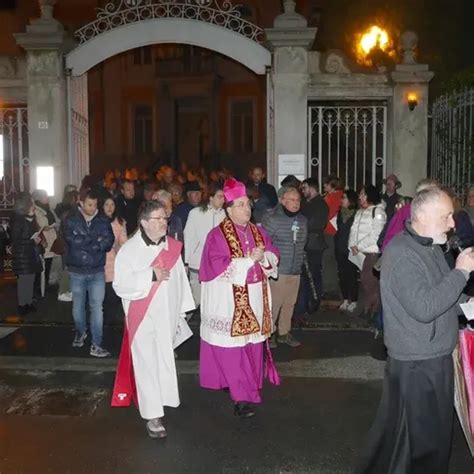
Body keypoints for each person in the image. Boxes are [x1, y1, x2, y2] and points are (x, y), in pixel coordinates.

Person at [355, 186, 474, 473]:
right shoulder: (401, 254)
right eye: (446, 216)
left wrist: (469, 302)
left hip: (432, 356)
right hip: (417, 363)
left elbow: (444, 294)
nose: (452, 223)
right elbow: (424, 307)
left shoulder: (429, 246)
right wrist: (461, 272)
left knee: (416, 439)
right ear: (423, 216)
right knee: (423, 443)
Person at [112, 200, 194, 438]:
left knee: (164, 359)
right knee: (147, 363)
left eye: (165, 218)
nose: (163, 223)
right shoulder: (129, 250)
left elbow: (180, 279)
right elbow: (121, 284)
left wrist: (183, 309)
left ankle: (165, 399)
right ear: (144, 222)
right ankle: (152, 416)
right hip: (143, 317)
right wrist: (151, 274)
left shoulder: (172, 247)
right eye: (158, 219)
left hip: (167, 313)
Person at [199, 178, 280, 418]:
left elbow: (273, 253)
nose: (248, 209)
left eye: (248, 204)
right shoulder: (217, 236)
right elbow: (214, 266)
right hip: (229, 301)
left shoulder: (258, 231)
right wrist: (248, 261)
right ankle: (241, 398)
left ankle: (249, 387)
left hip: (255, 298)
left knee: (253, 347)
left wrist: (264, 257)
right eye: (242, 205)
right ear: (229, 209)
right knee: (233, 350)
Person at [63, 189, 114, 357]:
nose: (93, 208)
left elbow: (108, 241)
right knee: (78, 306)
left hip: (97, 270)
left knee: (97, 308)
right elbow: (71, 239)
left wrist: (88, 242)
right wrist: (95, 241)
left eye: (95, 205)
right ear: (81, 203)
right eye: (90, 205)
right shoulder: (71, 219)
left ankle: (96, 344)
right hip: (77, 270)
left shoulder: (103, 220)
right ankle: (80, 331)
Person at [262, 187, 307, 348]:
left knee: (290, 303)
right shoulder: (273, 219)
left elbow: (302, 242)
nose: (296, 203)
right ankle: (269, 333)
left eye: (298, 200)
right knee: (275, 303)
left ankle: (283, 332)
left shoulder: (302, 220)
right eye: (292, 200)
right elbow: (264, 242)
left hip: (295, 269)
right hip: (279, 269)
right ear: (283, 201)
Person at [184, 182, 225, 306]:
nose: (223, 200)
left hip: (217, 265)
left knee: (214, 301)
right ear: (211, 197)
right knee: (195, 300)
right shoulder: (196, 213)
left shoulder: (225, 215)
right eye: (219, 196)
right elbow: (189, 237)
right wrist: (186, 261)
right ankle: (179, 323)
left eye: (224, 197)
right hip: (198, 263)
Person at [348, 185, 386, 319]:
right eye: (360, 194)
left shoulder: (378, 212)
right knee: (365, 282)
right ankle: (366, 308)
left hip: (371, 252)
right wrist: (352, 245)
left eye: (363, 194)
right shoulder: (359, 212)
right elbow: (354, 230)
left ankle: (374, 309)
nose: (360, 197)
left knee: (368, 281)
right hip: (359, 253)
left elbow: (376, 234)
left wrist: (359, 246)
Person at [294, 178, 329, 318]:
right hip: (305, 244)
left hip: (313, 245)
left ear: (312, 188)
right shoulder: (305, 203)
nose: (302, 191)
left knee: (313, 275)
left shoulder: (320, 204)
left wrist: (302, 226)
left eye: (305, 188)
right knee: (304, 277)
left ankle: (313, 303)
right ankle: (304, 304)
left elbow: (318, 223)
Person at [10, 193, 43, 315]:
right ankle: (22, 304)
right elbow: (15, 239)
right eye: (32, 203)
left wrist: (35, 240)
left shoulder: (28, 218)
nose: (34, 205)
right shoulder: (18, 219)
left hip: (29, 255)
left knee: (30, 280)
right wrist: (31, 240)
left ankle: (28, 302)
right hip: (22, 256)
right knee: (24, 281)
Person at [102, 196, 128, 325]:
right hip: (99, 262)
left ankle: (110, 323)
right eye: (107, 204)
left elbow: (124, 243)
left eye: (112, 204)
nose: (110, 208)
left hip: (114, 262)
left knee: (111, 295)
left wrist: (118, 246)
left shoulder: (120, 222)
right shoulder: (98, 221)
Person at [334, 190, 359, 312]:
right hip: (340, 247)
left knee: (351, 275)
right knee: (342, 274)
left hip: (351, 249)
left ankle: (354, 300)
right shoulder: (339, 213)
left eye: (344, 198)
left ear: (351, 200)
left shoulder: (357, 214)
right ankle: (345, 299)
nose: (341, 200)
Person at [32, 189, 60, 293]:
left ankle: (46, 284)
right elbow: (39, 224)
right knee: (42, 264)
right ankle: (40, 286)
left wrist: (55, 225)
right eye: (45, 196)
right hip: (44, 239)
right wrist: (46, 227)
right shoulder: (36, 210)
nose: (47, 198)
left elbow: (55, 219)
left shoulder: (49, 209)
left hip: (52, 238)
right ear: (39, 198)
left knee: (49, 263)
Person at [322, 175, 344, 298]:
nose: (324, 186)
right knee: (331, 259)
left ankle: (329, 287)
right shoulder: (339, 196)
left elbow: (327, 214)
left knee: (328, 259)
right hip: (334, 231)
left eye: (326, 184)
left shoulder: (332, 198)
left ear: (332, 185)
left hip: (329, 231)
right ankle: (332, 285)